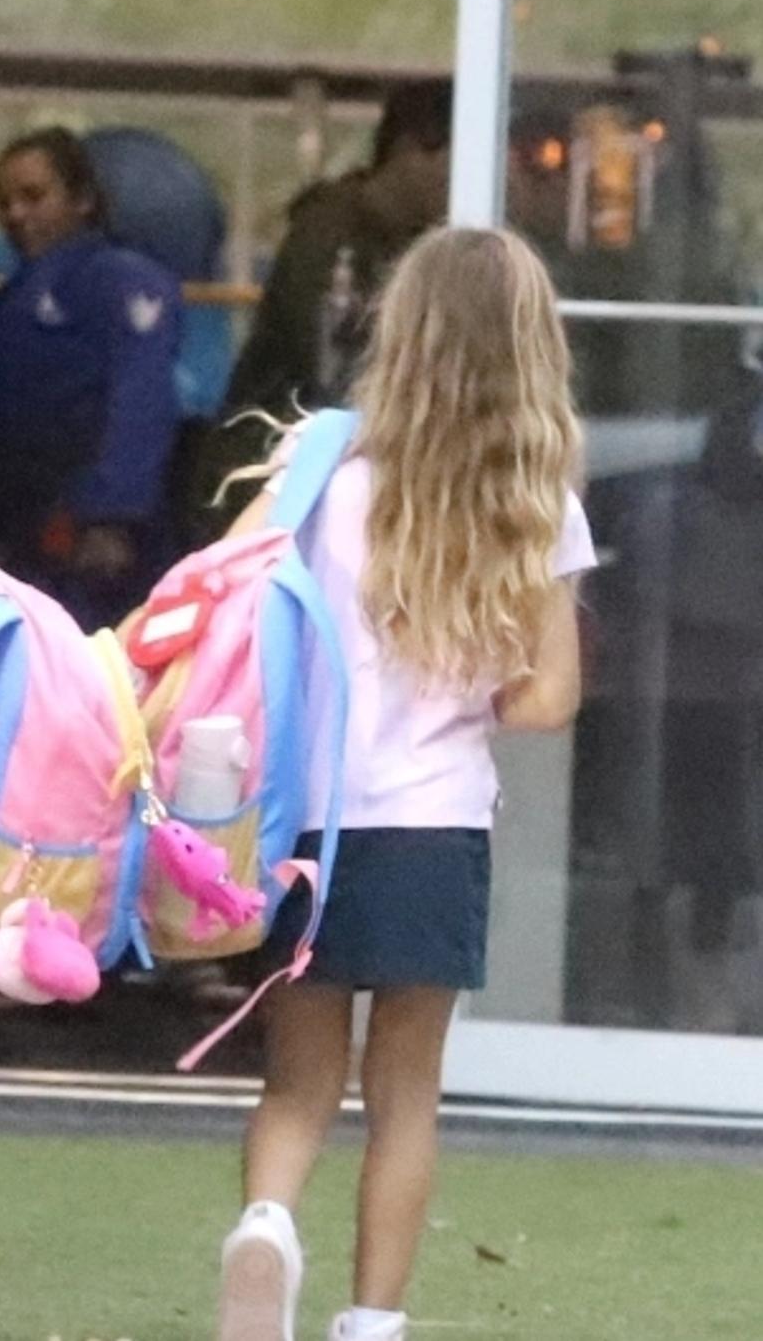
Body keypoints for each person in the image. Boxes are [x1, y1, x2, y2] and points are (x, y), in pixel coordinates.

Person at [214, 227, 594, 1341]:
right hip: (434, 827)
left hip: (310, 822)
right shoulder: (534, 500)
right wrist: (475, 690)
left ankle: (267, 1224)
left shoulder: (322, 474)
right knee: (405, 1096)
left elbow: (232, 600)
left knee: (297, 1082)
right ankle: (371, 1320)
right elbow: (549, 700)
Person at [193, 82, 453, 540]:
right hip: (278, 465)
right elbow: (328, 368)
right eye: (452, 161)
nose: (455, 184)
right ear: (411, 149)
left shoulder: (413, 244)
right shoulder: (330, 235)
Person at [0, 126, 181, 628]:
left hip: (103, 542)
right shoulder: (2, 307)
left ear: (82, 199)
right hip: (27, 536)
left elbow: (140, 397)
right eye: (4, 202)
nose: (16, 214)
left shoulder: (124, 282)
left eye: (34, 196)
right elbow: (1, 433)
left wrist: (112, 516)